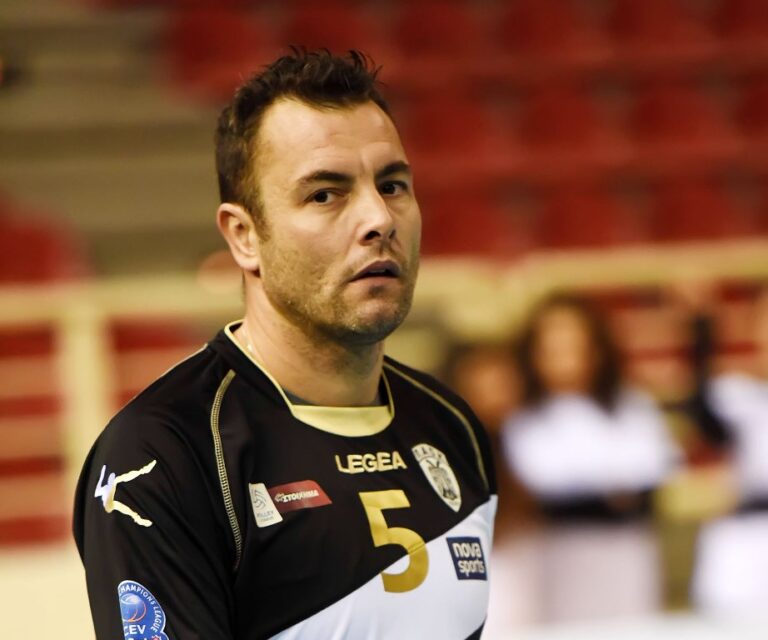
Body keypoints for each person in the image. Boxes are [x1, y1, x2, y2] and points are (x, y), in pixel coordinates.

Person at [72, 50, 496, 640]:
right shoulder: (162, 456)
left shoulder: (453, 428)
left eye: (393, 185)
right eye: (325, 194)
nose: (379, 218)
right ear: (244, 236)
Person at [501, 292, 679, 623]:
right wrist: (609, 483)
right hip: (557, 553)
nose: (566, 359)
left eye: (575, 346)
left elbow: (654, 467)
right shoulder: (524, 416)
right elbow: (539, 477)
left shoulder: (629, 407)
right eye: (553, 349)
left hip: (626, 549)